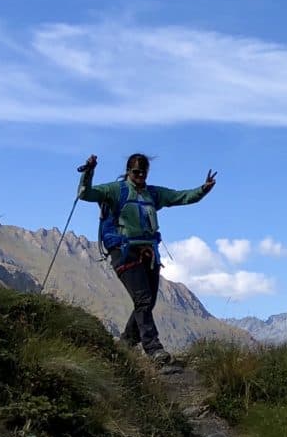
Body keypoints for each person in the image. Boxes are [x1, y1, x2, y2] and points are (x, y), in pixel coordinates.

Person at [78, 153, 217, 363]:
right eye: (136, 172)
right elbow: (85, 194)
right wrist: (89, 172)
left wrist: (203, 189)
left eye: (144, 172)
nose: (140, 175)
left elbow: (180, 196)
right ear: (128, 171)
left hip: (148, 253)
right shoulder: (115, 191)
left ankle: (124, 346)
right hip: (123, 251)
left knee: (147, 302)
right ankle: (154, 349)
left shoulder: (152, 194)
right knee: (143, 299)